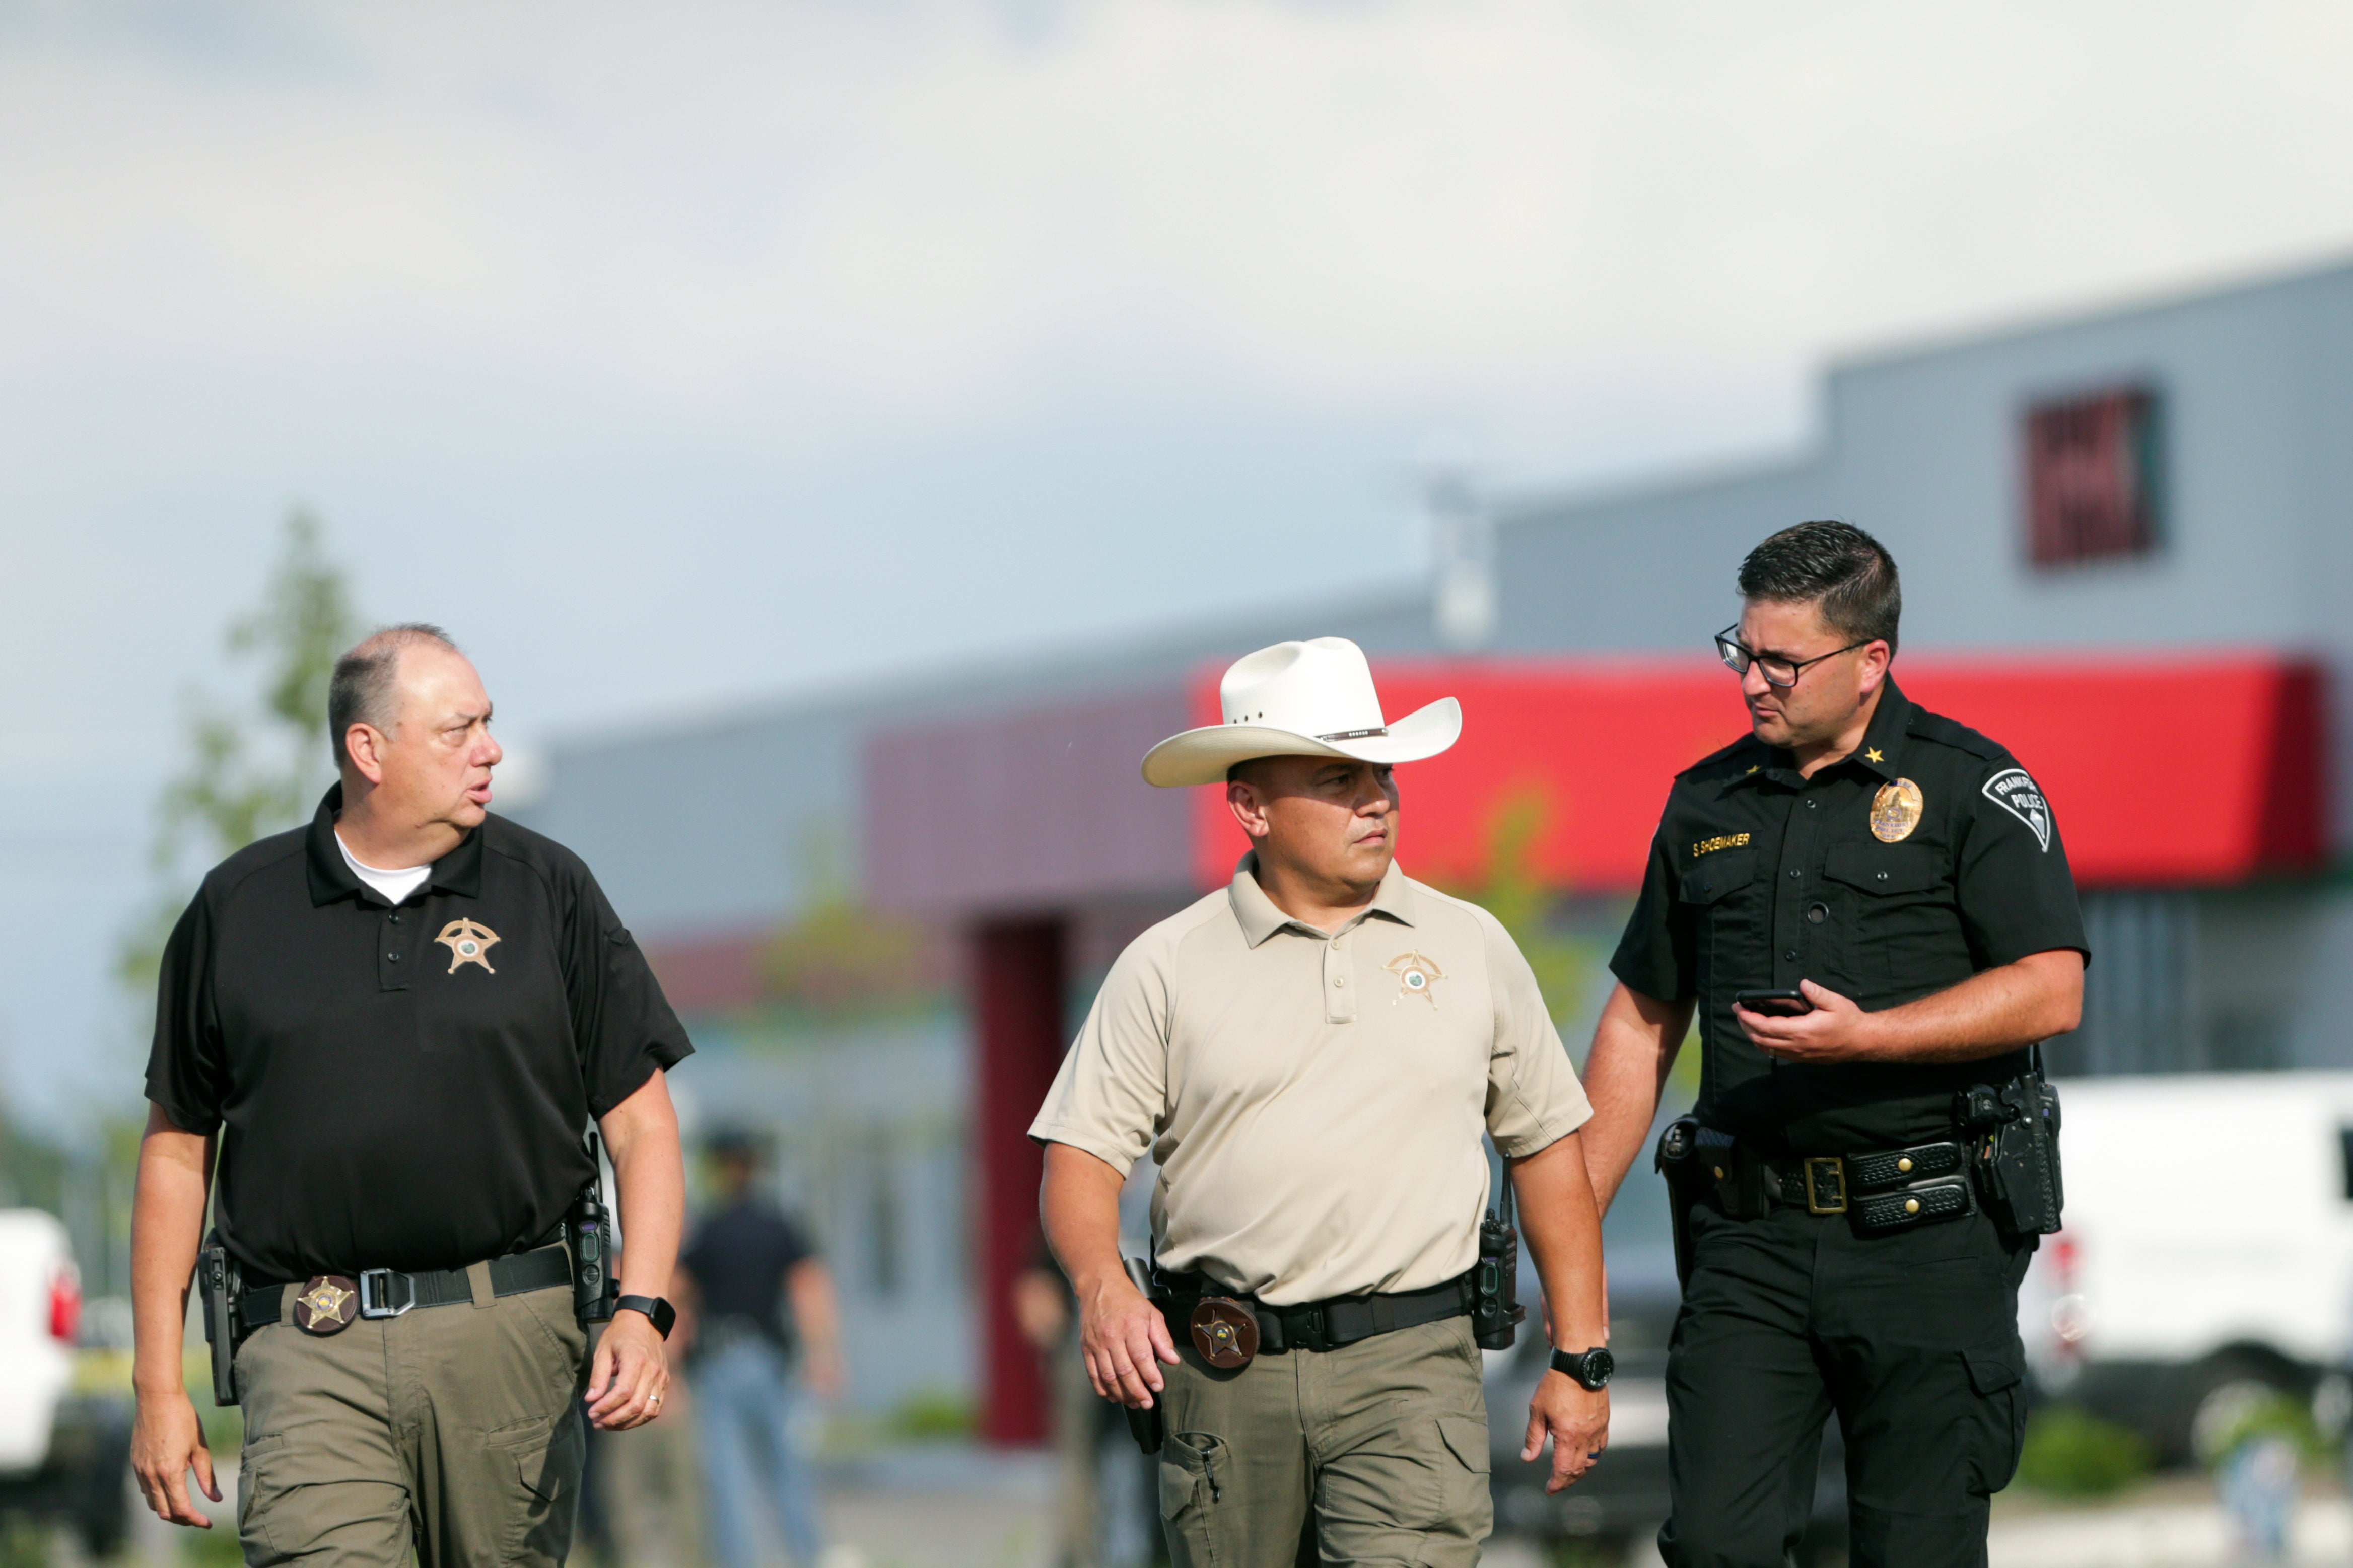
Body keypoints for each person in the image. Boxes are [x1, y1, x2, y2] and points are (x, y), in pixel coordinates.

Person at [1032, 636, 1614, 1568]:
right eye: (1336, 777)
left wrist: (1580, 1355)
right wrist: (1102, 1286)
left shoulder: (1473, 944)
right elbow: (1080, 1158)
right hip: (1223, 1371)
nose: (1375, 797)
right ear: (1250, 804)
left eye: (1379, 772)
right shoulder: (1165, 964)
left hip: (1412, 1365)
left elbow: (1547, 1148)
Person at [1577, 522, 2089, 1568]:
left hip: (1927, 1237)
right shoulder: (1702, 802)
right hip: (1748, 1244)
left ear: (1869, 664)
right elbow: (1639, 1021)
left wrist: (1872, 1039)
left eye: (1780, 661)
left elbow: (2050, 989)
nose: (1750, 683)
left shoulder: (1969, 788)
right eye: (1740, 650)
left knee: (1914, 1550)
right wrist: (1566, 1222)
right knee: (1715, 1547)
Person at [129, 623, 692, 1568]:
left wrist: (643, 1307)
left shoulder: (549, 890)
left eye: (488, 722)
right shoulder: (238, 908)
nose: (491, 748)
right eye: (458, 728)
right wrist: (156, 1382)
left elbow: (641, 1125)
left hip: (507, 1340)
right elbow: (177, 1151)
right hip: (309, 1348)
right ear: (368, 748)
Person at [677, 1128, 844, 1568]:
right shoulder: (779, 1226)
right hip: (767, 1359)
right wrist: (823, 1355)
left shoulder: (707, 1231)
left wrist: (670, 1361)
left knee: (728, 1479)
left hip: (718, 1362)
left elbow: (678, 1295)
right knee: (785, 1469)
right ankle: (808, 1555)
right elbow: (809, 1290)